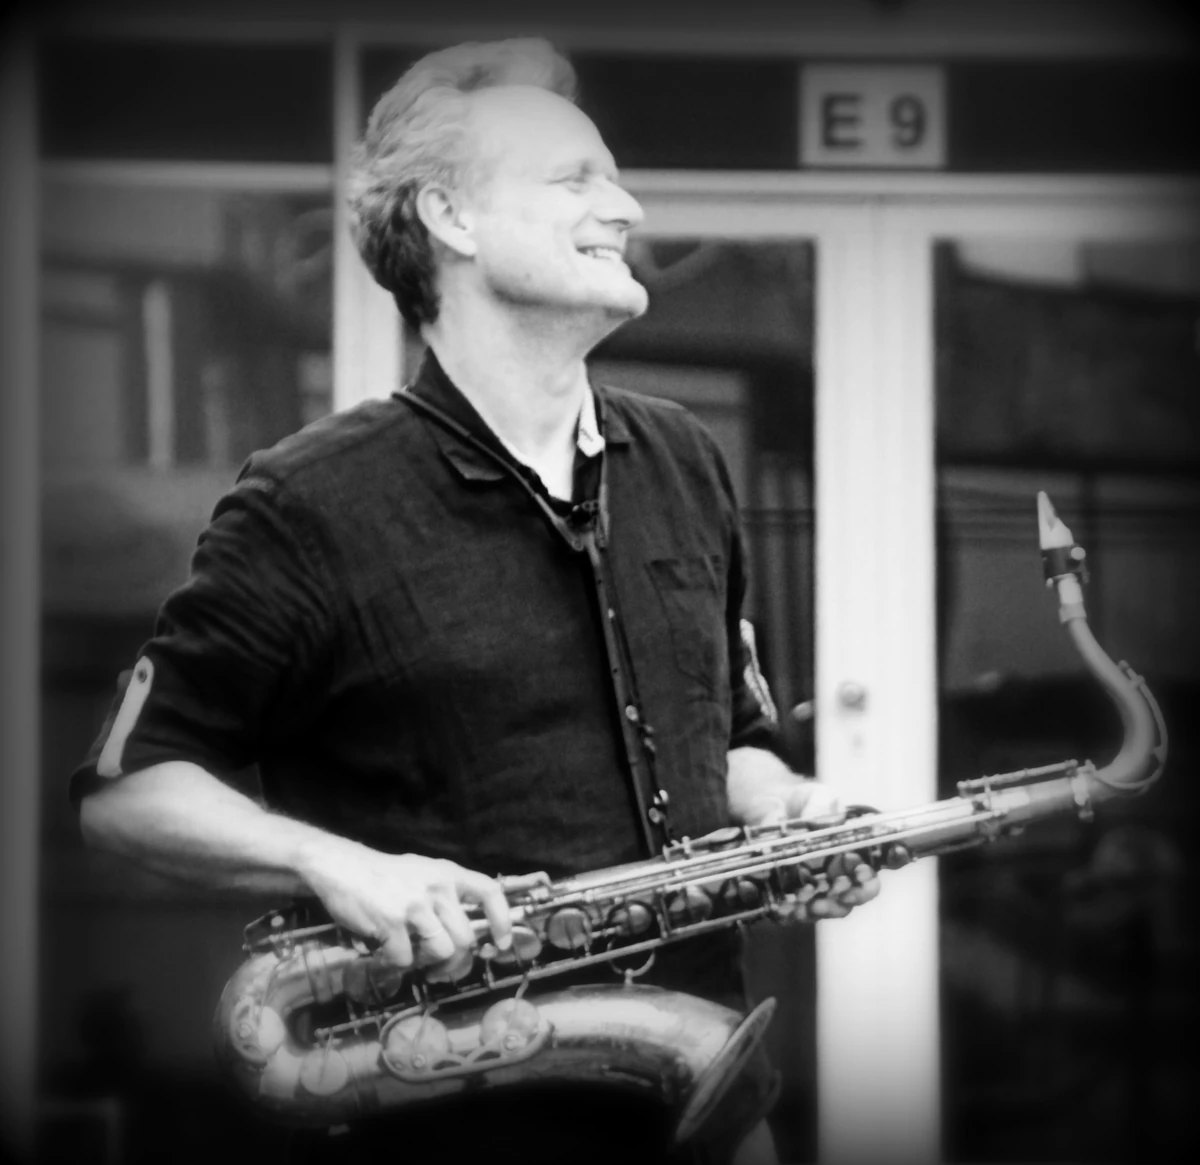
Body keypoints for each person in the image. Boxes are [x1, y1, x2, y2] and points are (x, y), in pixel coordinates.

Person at [71, 38, 879, 1165]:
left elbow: (732, 740)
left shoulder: (687, 460)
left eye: (614, 178)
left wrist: (786, 807)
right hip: (451, 1126)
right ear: (449, 216)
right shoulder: (308, 501)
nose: (626, 207)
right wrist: (337, 863)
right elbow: (127, 791)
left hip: (708, 1090)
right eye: (576, 179)